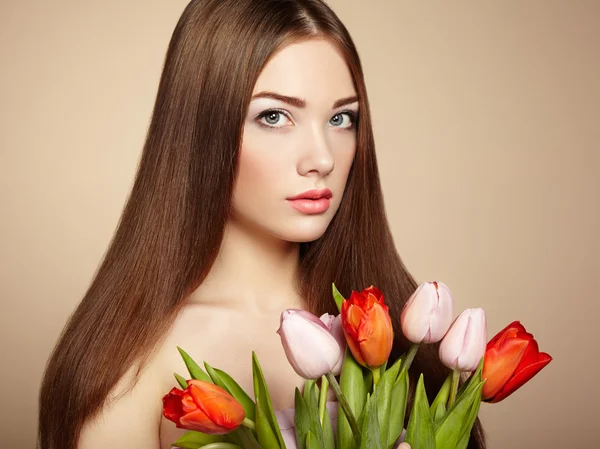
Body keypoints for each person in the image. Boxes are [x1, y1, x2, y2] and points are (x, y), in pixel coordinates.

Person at [37, 1, 486, 448]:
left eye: (340, 118)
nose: (323, 158)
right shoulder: (134, 362)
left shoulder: (392, 332)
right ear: (201, 129)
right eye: (274, 116)